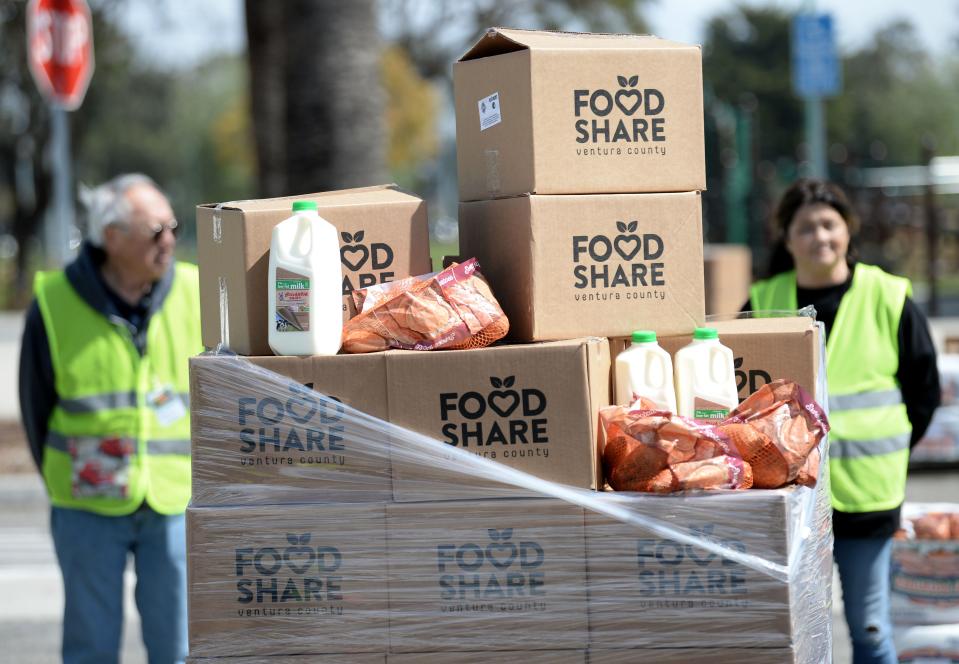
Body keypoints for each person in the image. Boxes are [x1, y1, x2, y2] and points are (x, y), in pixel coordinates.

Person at [748, 179, 940, 664]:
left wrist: (890, 449)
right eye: (806, 227)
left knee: (871, 632)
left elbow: (924, 392)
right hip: (790, 500)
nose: (820, 237)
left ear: (848, 231)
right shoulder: (764, 301)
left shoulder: (888, 296)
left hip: (867, 499)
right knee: (790, 637)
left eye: (829, 224)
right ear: (787, 238)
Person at [18, 173, 202, 664]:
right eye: (155, 231)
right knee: (90, 647)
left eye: (173, 227)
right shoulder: (55, 303)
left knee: (181, 647)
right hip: (86, 501)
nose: (169, 240)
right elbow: (36, 407)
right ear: (112, 238)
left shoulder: (195, 291)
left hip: (174, 499)